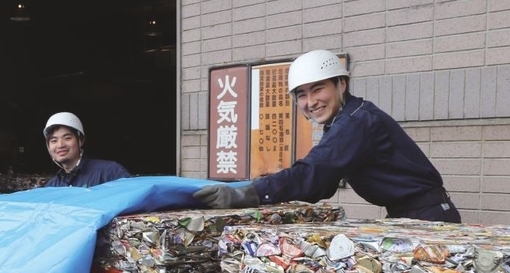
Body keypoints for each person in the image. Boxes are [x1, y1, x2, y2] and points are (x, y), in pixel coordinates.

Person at [193, 49, 461, 222]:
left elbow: (315, 170)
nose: (311, 102)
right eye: (301, 94)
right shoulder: (346, 120)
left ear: (341, 84)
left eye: (317, 89)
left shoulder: (356, 123)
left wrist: (247, 194)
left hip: (427, 217)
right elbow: (322, 182)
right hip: (409, 215)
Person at [43, 112, 131, 187]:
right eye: (54, 141)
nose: (60, 145)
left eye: (67, 138)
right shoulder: (52, 186)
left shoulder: (109, 172)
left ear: (80, 140)